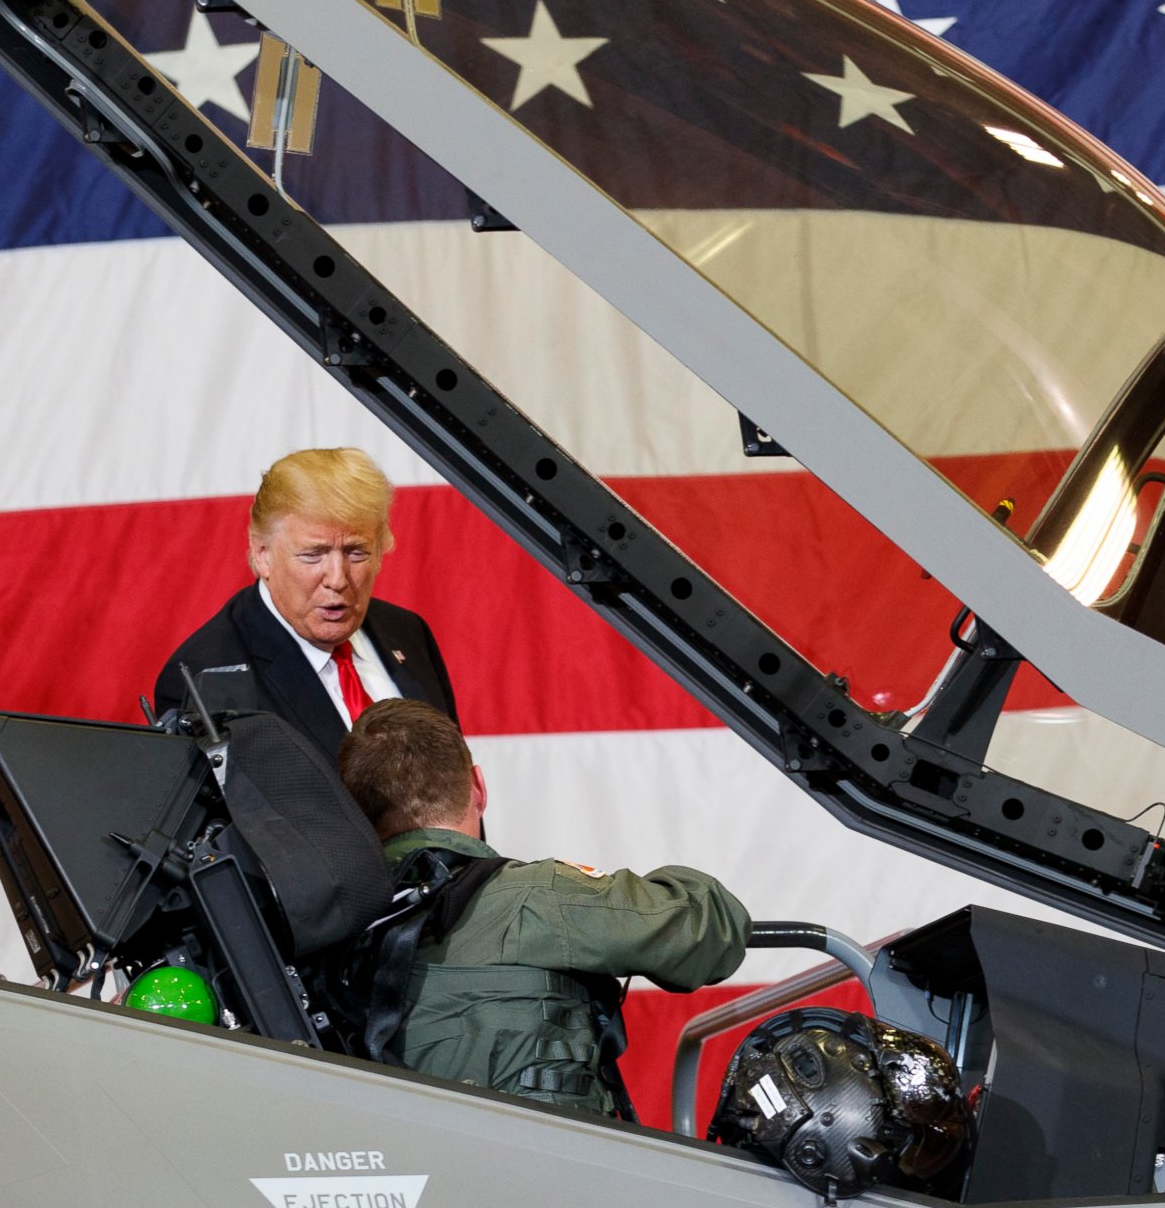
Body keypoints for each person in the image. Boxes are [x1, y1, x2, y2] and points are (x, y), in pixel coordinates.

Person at [337, 698, 749, 1117]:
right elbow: (711, 931)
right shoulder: (537, 899)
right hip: (555, 1168)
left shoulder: (331, 924)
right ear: (479, 787)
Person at [155, 448, 456, 761]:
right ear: (262, 554)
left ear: (381, 550)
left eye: (357, 552)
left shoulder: (407, 632)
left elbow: (455, 786)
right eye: (313, 555)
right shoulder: (207, 677)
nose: (338, 579)